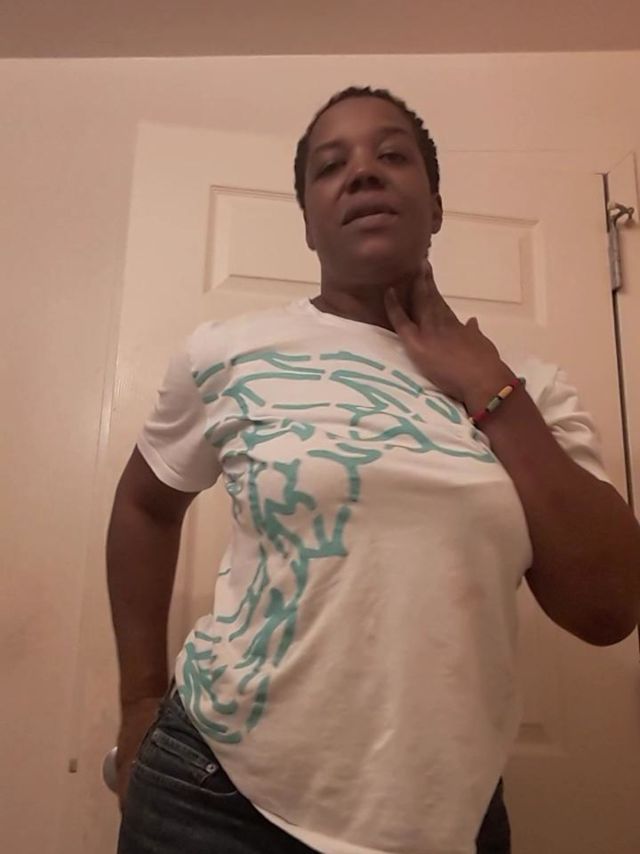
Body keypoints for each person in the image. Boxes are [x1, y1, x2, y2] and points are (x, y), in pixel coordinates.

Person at [108, 86, 640, 854]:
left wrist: (489, 389)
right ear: (307, 222)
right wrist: (137, 702)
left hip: (445, 817)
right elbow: (144, 507)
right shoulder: (226, 354)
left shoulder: (531, 386)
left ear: (436, 206)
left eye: (392, 154)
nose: (363, 172)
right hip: (209, 796)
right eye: (331, 166)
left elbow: (609, 607)